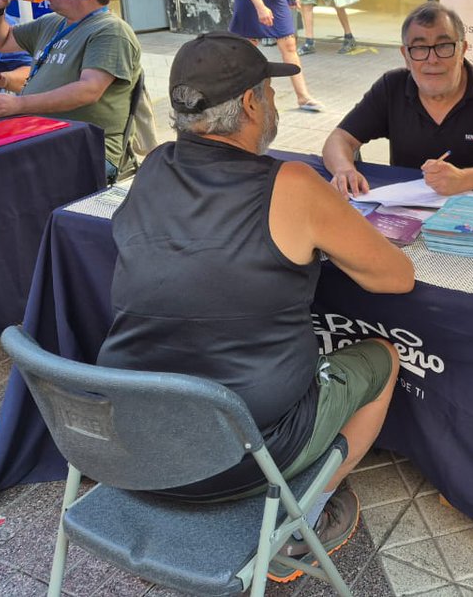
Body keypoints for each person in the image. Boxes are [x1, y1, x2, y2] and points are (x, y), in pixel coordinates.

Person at [96, 33, 414, 581]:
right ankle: (303, 517)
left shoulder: (153, 167)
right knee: (382, 356)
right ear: (249, 103)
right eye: (269, 93)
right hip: (243, 454)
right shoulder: (292, 183)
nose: (273, 104)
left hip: (133, 442)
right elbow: (395, 277)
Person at [323, 2, 473, 197]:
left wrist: (465, 179)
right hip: (406, 210)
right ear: (406, 56)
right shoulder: (392, 87)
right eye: (419, 48)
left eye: (444, 46)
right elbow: (339, 139)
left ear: (462, 50)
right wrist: (344, 169)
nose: (432, 59)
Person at [0, 0, 141, 173]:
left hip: (87, 147)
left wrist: (18, 104)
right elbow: (0, 41)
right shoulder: (52, 23)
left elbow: (88, 90)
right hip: (42, 136)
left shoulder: (110, 31)